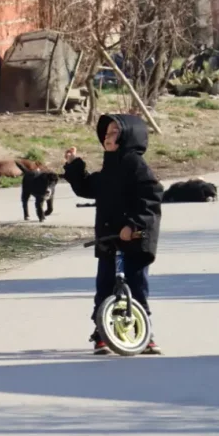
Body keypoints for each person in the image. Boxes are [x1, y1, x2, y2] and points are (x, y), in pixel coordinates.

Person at [64, 114, 164, 354]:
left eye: (113, 133)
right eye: (106, 133)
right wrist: (74, 165)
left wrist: (134, 225)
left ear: (128, 135)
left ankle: (145, 332)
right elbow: (89, 187)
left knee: (137, 286)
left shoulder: (135, 165)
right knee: (105, 286)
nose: (107, 138)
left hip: (134, 239)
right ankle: (101, 332)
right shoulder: (110, 167)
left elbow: (151, 197)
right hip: (110, 239)